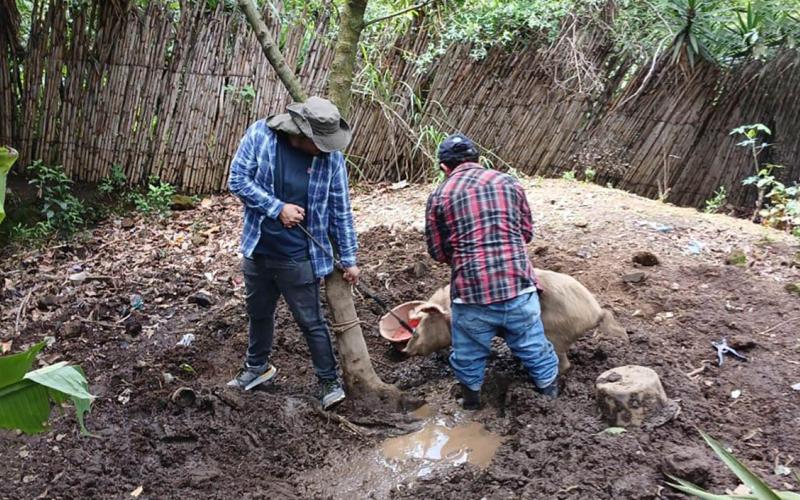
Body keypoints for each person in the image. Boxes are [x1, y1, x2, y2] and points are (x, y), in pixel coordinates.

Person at [227, 96, 360, 410]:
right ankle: (257, 368)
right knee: (259, 313)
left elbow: (340, 211)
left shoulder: (331, 159)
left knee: (310, 321)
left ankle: (328, 381)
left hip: (300, 254)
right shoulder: (261, 135)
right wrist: (277, 209)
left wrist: (349, 258)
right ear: (302, 135)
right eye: (321, 143)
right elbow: (237, 180)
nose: (326, 149)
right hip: (258, 246)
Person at [424, 133, 559, 409]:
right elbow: (526, 233)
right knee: (533, 346)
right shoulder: (509, 182)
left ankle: (471, 404)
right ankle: (550, 399)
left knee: (468, 355)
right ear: (478, 160)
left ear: (444, 168)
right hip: (518, 288)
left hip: (472, 296)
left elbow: (438, 253)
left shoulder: (439, 195)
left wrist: (465, 254)